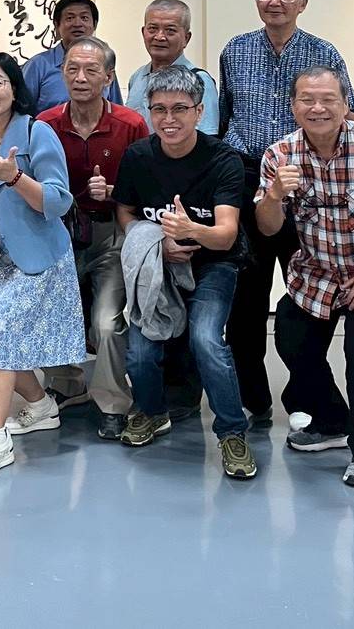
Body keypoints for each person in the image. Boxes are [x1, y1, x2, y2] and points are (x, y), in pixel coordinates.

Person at [219, 0, 354, 426]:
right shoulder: (235, 49)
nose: (275, 1)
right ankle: (252, 398)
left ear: (303, 2)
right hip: (249, 179)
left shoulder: (323, 53)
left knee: (305, 295)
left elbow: (352, 114)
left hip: (309, 183)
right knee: (246, 298)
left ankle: (305, 397)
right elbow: (225, 117)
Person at [259, 67, 354, 489]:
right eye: (307, 99)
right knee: (291, 338)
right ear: (293, 106)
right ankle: (330, 422)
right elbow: (268, 227)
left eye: (328, 99)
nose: (318, 108)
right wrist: (274, 194)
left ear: (346, 105)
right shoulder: (280, 154)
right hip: (317, 272)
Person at [112, 65, 256, 478]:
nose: (169, 119)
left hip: (213, 265)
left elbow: (225, 236)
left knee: (206, 339)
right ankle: (152, 411)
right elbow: (124, 211)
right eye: (159, 109)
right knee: (140, 349)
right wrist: (158, 242)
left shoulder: (222, 160)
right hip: (157, 265)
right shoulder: (138, 156)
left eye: (180, 108)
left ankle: (232, 432)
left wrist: (190, 231)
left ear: (199, 111)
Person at [0, 51, 85, 477]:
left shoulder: (36, 132)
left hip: (37, 257)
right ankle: (42, 407)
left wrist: (14, 177)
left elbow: (58, 202)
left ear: (13, 89)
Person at [36, 37, 147, 439]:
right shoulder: (45, 123)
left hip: (110, 232)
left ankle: (112, 402)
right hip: (58, 234)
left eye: (91, 70)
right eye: (72, 69)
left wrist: (114, 191)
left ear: (109, 77)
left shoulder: (130, 125)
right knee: (52, 312)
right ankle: (66, 384)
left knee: (105, 322)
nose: (80, 78)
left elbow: (147, 190)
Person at [125, 0, 219, 136]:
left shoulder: (200, 80)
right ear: (143, 32)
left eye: (170, 30)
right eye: (153, 29)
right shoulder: (137, 77)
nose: (159, 37)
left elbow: (207, 138)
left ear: (186, 38)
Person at [20, 0, 122, 114]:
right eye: (70, 18)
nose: (77, 23)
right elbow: (21, 112)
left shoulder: (104, 63)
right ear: (57, 25)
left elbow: (117, 112)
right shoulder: (37, 65)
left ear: (94, 25)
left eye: (84, 18)